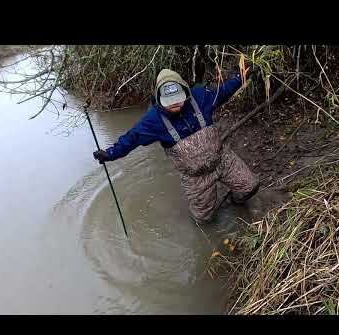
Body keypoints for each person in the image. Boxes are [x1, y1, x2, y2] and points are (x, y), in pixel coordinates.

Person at [93, 67, 260, 224]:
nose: (175, 104)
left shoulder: (201, 97)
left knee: (250, 187)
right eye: (169, 101)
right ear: (159, 98)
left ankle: (233, 201)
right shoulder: (153, 120)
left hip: (223, 161)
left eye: (177, 99)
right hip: (196, 178)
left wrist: (241, 76)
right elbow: (131, 139)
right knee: (204, 220)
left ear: (185, 91)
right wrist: (110, 153)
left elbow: (224, 91)